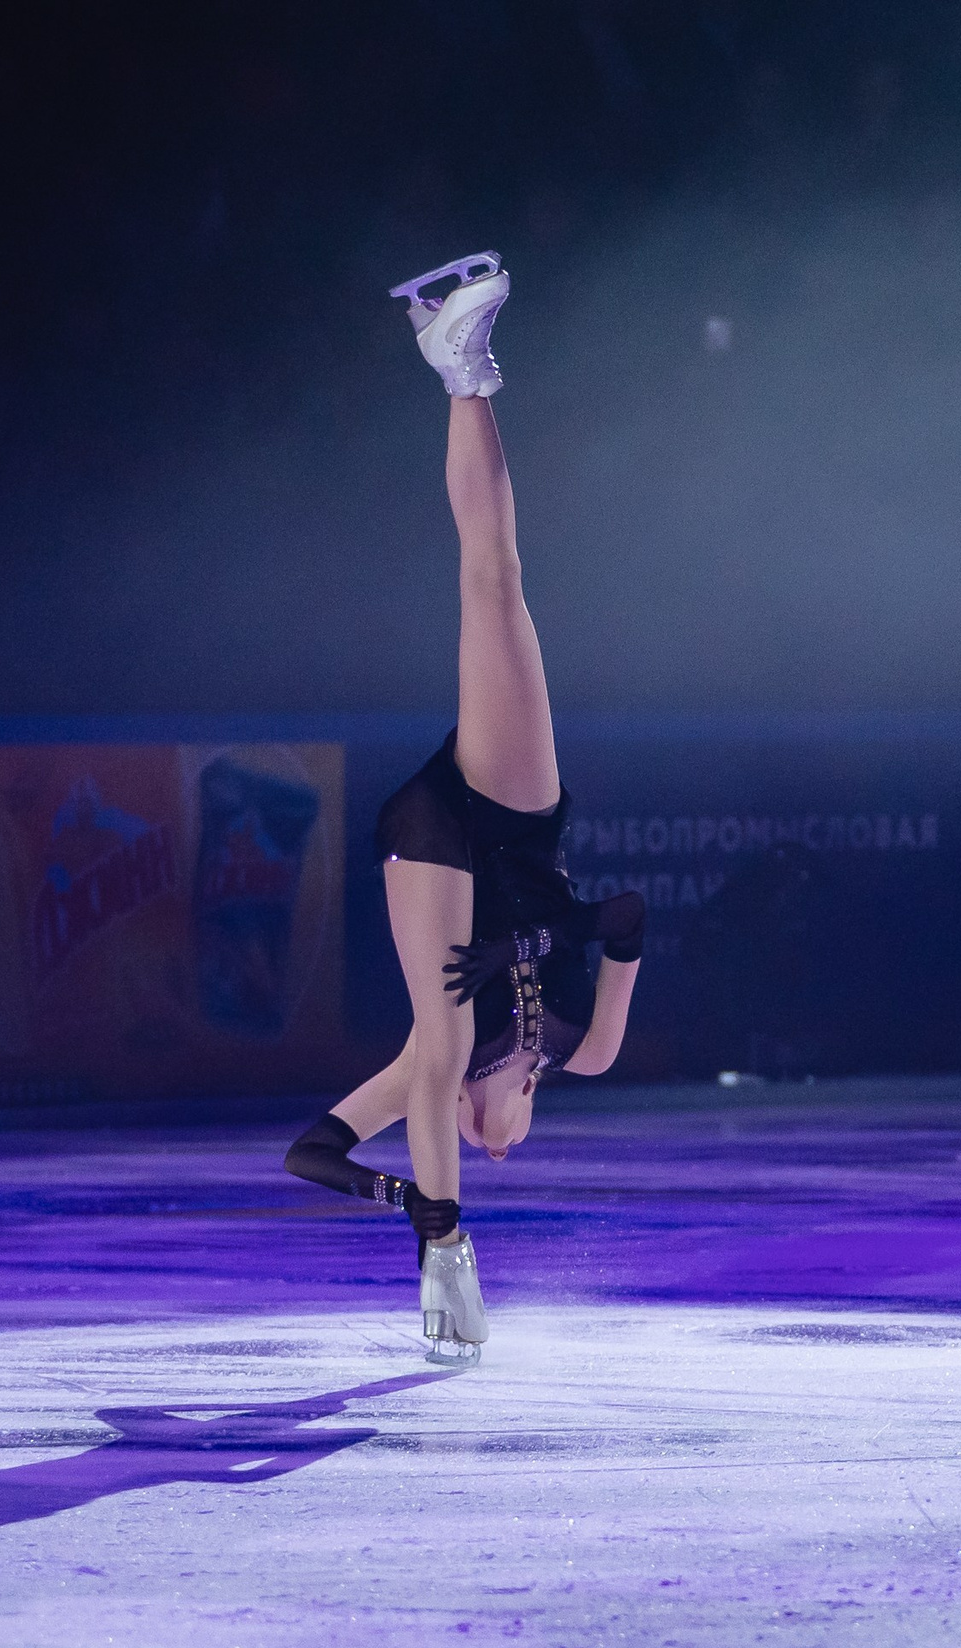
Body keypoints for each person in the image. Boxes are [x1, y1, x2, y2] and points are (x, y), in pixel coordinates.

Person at [283, 253, 646, 1369]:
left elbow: (310, 1152)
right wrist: (533, 939)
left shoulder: (433, 1083)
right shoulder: (582, 1054)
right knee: (496, 589)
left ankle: (445, 1254)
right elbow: (622, 917)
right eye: (505, 1148)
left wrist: (400, 1193)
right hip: (517, 825)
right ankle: (464, 370)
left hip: (432, 837)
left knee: (435, 1040)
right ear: (526, 1110)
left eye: (475, 1152)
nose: (498, 1146)